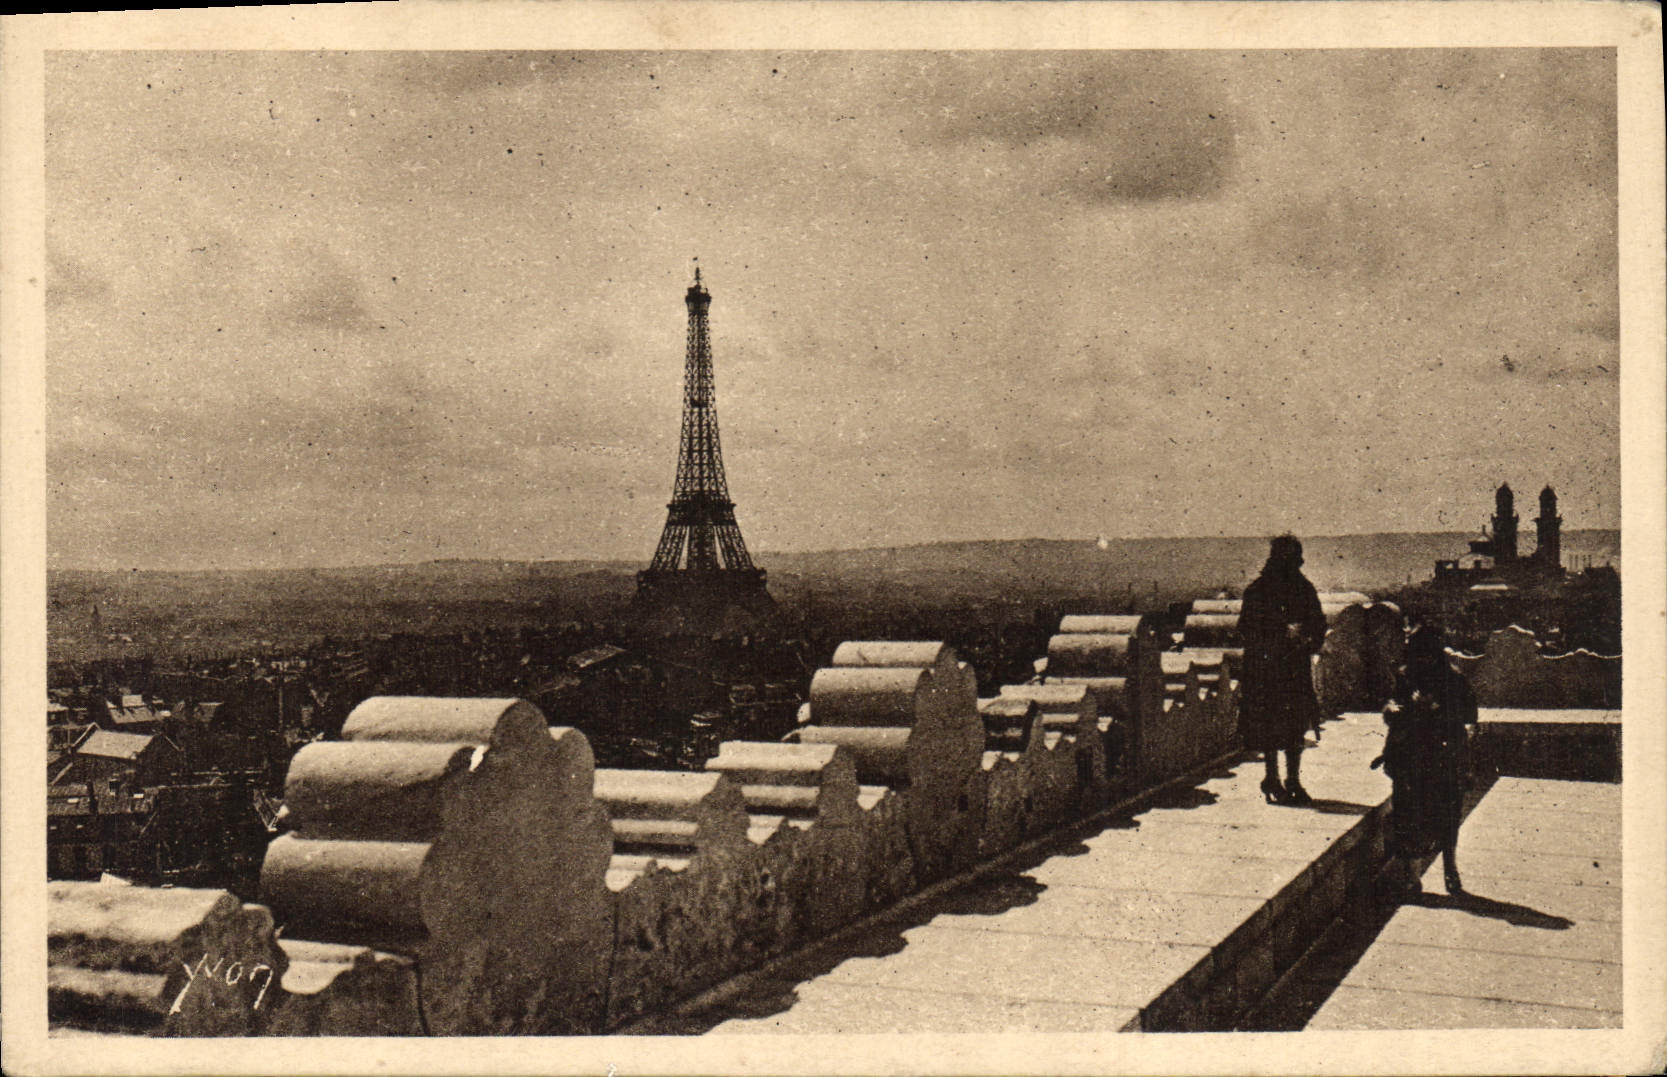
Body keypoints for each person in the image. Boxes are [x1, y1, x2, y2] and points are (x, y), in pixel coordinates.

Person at [1375, 623, 1479, 894]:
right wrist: (1395, 709)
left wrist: (1436, 711)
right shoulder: (1404, 676)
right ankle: (1412, 876)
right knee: (1408, 816)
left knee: (1447, 816)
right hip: (1408, 757)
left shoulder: (1454, 679)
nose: (1420, 660)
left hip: (1442, 757)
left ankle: (1450, 869)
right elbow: (1389, 705)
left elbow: (1468, 716)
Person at [1238, 534, 1328, 805]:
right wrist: (1280, 633)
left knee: (1294, 726)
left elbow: (1318, 623)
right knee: (1270, 727)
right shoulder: (1258, 591)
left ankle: (1290, 780)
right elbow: (1246, 629)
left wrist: (1308, 638)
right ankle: (1273, 778)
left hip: (1293, 668)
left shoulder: (1302, 589)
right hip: (1267, 670)